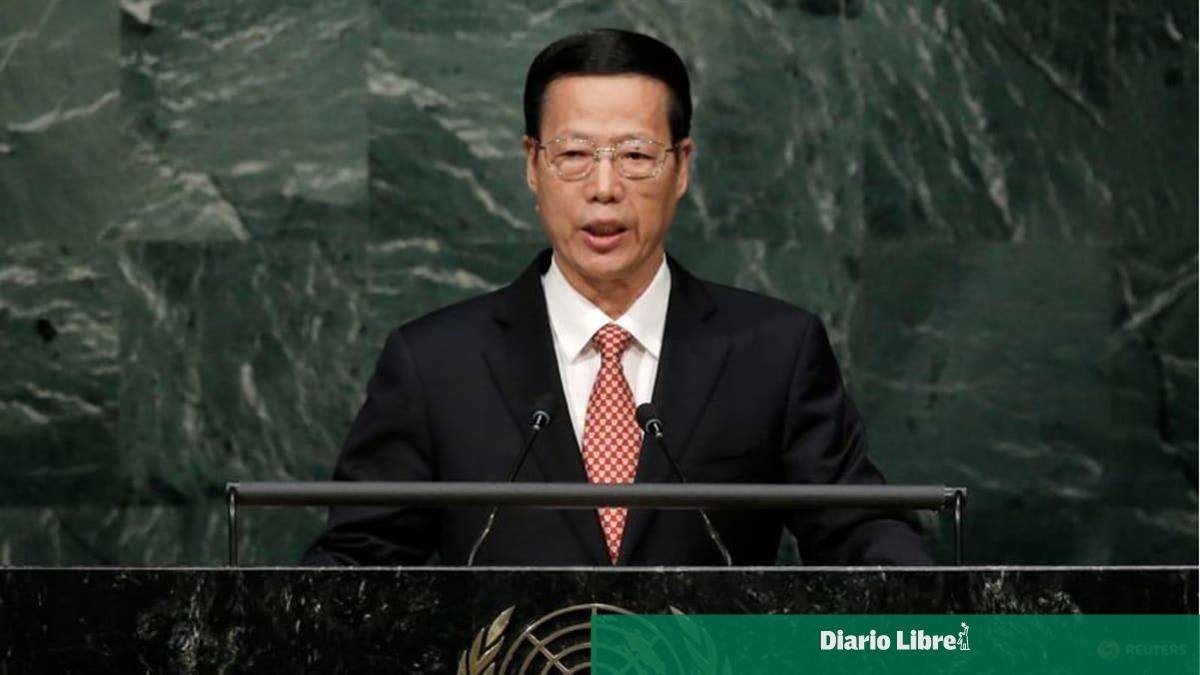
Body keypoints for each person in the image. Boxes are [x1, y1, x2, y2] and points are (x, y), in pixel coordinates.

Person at [302, 28, 931, 566]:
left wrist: (935, 616)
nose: (604, 187)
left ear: (681, 167)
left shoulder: (774, 352)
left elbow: (862, 533)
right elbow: (356, 566)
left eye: (635, 155)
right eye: (574, 154)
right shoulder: (435, 363)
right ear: (532, 165)